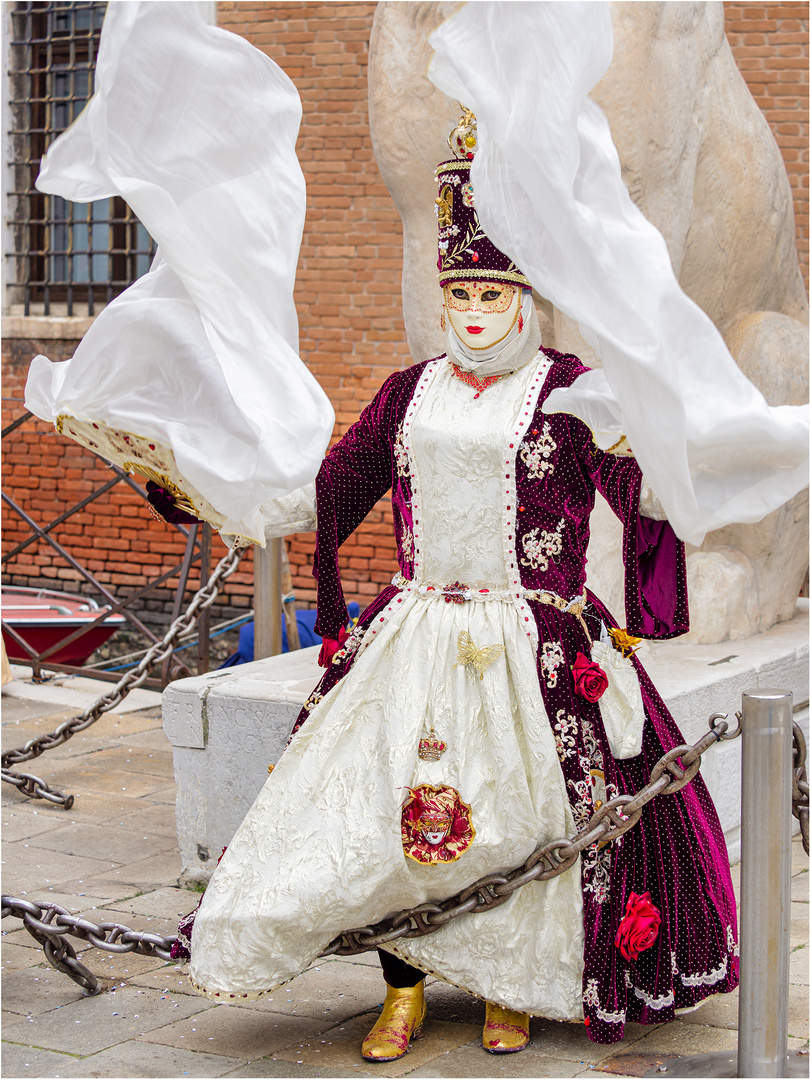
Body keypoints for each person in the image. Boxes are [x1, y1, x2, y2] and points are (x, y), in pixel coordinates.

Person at [164, 111, 739, 1062]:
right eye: (460, 289)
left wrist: (663, 443)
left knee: (523, 816)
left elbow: (643, 492)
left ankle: (513, 988)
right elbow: (330, 486)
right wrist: (206, 484)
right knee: (387, 810)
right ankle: (404, 992)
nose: (473, 309)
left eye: (492, 290)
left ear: (526, 298)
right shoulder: (406, 392)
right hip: (415, 635)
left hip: (539, 643)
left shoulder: (573, 387)